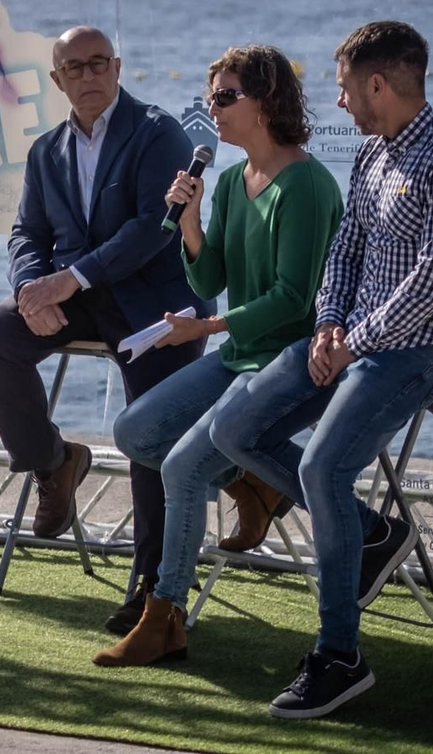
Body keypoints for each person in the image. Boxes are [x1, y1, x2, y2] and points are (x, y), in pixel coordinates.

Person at [213, 21, 433, 719]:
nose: (337, 102)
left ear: (378, 84)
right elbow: (345, 250)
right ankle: (373, 531)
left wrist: (356, 340)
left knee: (321, 468)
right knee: (234, 428)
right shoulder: (371, 154)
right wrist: (330, 323)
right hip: (355, 341)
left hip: (425, 349)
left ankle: (339, 654)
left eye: (344, 87)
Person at [95, 45, 343, 667]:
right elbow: (210, 279)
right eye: (211, 98)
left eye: (226, 97)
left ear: (266, 103)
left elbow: (292, 301)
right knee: (135, 431)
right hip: (239, 353)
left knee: (182, 467)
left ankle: (165, 615)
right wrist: (191, 221)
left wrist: (201, 326)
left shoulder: (307, 185)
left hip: (292, 360)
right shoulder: (231, 179)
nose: (214, 109)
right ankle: (252, 480)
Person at [0, 25, 210, 635]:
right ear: (57, 80)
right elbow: (27, 234)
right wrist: (29, 288)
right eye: (73, 68)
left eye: (98, 62)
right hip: (78, 296)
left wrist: (67, 281)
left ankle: (155, 588)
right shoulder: (46, 150)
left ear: (118, 66)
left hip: (156, 304)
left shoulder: (157, 132)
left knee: (149, 433)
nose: (87, 75)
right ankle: (54, 461)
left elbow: (154, 226)